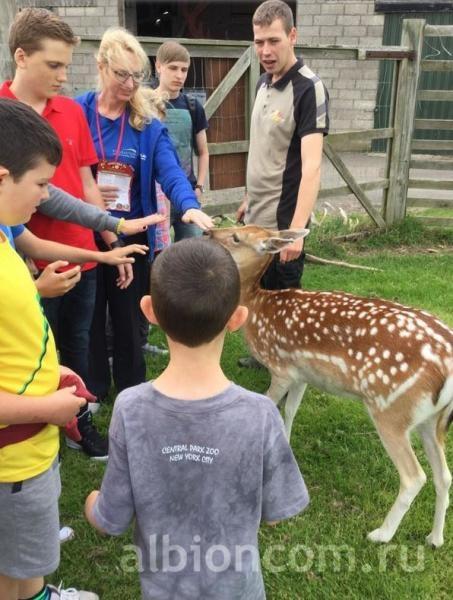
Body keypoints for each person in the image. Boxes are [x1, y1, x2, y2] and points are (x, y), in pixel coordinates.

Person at [84, 238, 309, 599]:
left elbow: (110, 519)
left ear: (148, 310)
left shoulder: (131, 409)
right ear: (238, 318)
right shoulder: (261, 413)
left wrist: (91, 502)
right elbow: (276, 512)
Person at [2, 7, 121, 458]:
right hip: (30, 263)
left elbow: (86, 184)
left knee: (77, 344)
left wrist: (107, 239)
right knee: (29, 350)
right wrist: (32, 276)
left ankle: (76, 424)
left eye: (67, 65)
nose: (63, 76)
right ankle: (34, 429)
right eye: (54, 64)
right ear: (21, 56)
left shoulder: (71, 112)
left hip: (78, 253)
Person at [76, 27, 212, 402]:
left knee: (127, 316)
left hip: (133, 235)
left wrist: (189, 206)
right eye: (122, 74)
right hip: (87, 234)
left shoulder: (147, 124)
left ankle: (131, 390)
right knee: (89, 317)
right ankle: (95, 390)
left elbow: (170, 171)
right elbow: (64, 169)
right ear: (101, 66)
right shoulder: (78, 112)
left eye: (137, 76)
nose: (130, 84)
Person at [0, 98, 98, 600]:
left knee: (17, 565)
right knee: (19, 571)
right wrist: (49, 407)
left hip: (27, 451)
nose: (46, 196)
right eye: (40, 184)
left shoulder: (3, 237)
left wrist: (54, 371)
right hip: (14, 461)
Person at [236, 0, 329, 367]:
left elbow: (312, 167)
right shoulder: (261, 82)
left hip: (284, 222)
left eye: (273, 41)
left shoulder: (309, 89)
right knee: (259, 296)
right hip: (256, 216)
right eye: (259, 42)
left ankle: (290, 369)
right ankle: (265, 355)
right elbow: (264, 148)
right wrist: (247, 196)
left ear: (293, 35)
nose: (265, 51)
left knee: (285, 300)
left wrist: (297, 231)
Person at [155, 40, 209, 240]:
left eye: (184, 70)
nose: (179, 75)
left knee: (193, 254)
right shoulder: (145, 104)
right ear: (159, 66)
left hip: (187, 193)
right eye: (173, 68)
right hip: (157, 197)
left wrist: (199, 187)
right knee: (157, 253)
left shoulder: (193, 106)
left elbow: (203, 152)